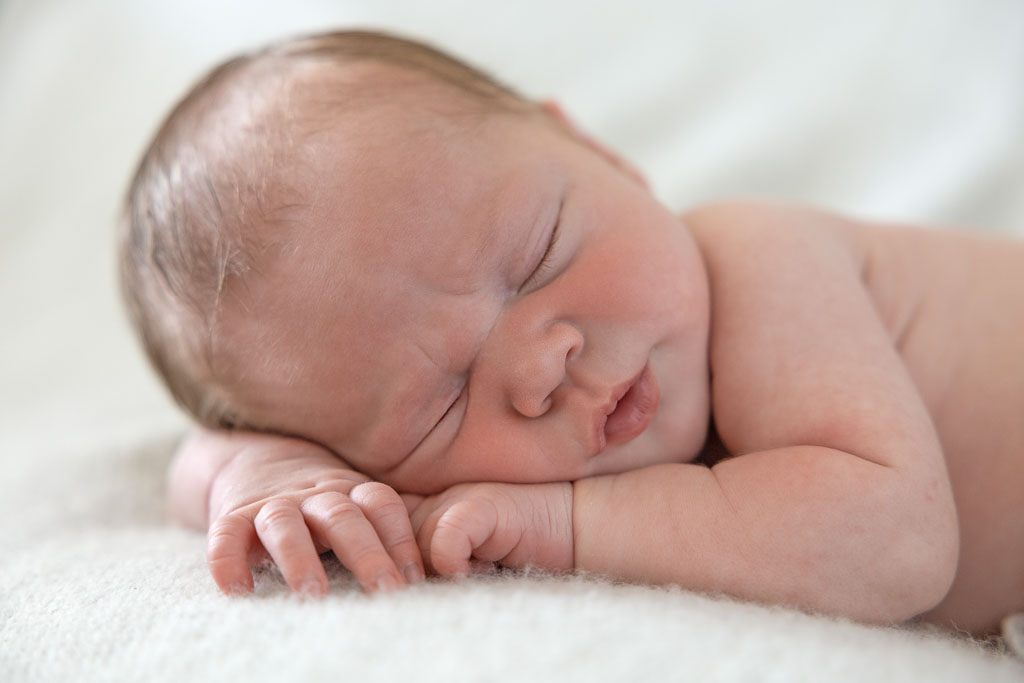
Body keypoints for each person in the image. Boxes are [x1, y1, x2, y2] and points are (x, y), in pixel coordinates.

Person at [119, 29, 1024, 637]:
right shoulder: (362, 434)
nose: (541, 363)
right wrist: (269, 473)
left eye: (539, 255)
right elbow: (199, 458)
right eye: (443, 402)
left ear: (599, 154)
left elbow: (900, 544)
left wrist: (563, 524)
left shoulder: (758, 261)